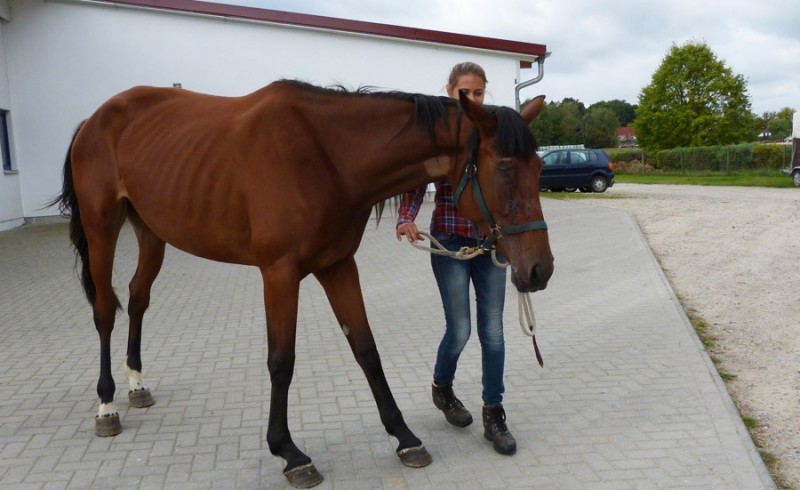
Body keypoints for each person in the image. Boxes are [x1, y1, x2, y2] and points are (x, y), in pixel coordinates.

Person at [395, 61, 516, 455]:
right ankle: (442, 389)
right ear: (450, 91)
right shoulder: (442, 136)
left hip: (489, 243)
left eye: (479, 92)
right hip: (449, 241)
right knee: (460, 329)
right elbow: (420, 178)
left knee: (494, 331)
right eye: (465, 92)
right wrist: (406, 217)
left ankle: (493, 413)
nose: (473, 99)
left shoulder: (492, 132)